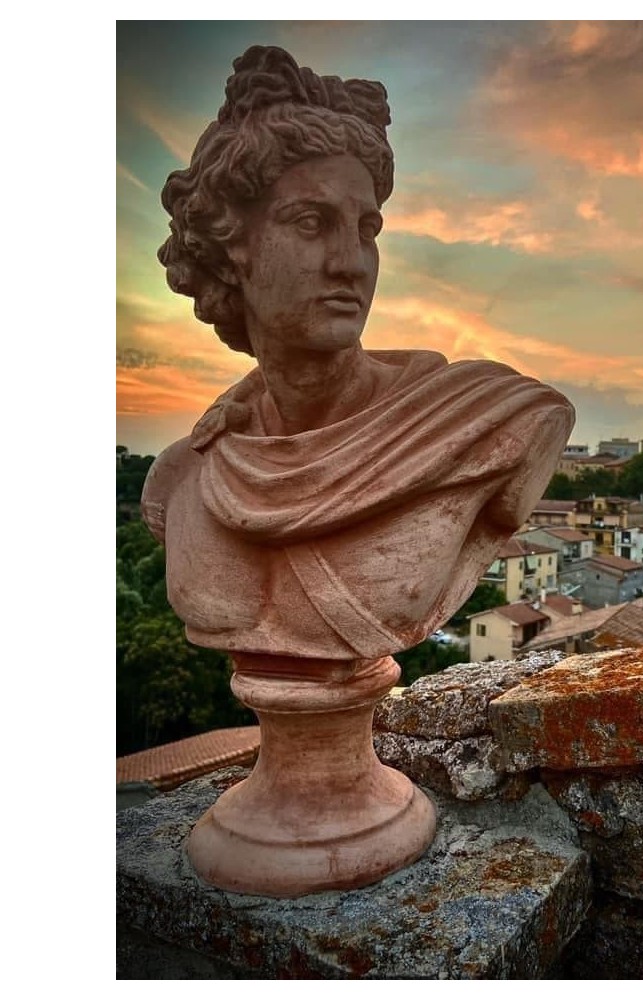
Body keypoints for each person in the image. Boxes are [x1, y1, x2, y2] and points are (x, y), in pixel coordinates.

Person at [142, 45, 574, 662]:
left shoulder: (495, 424)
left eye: (366, 230)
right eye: (311, 223)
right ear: (230, 249)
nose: (350, 263)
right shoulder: (182, 477)